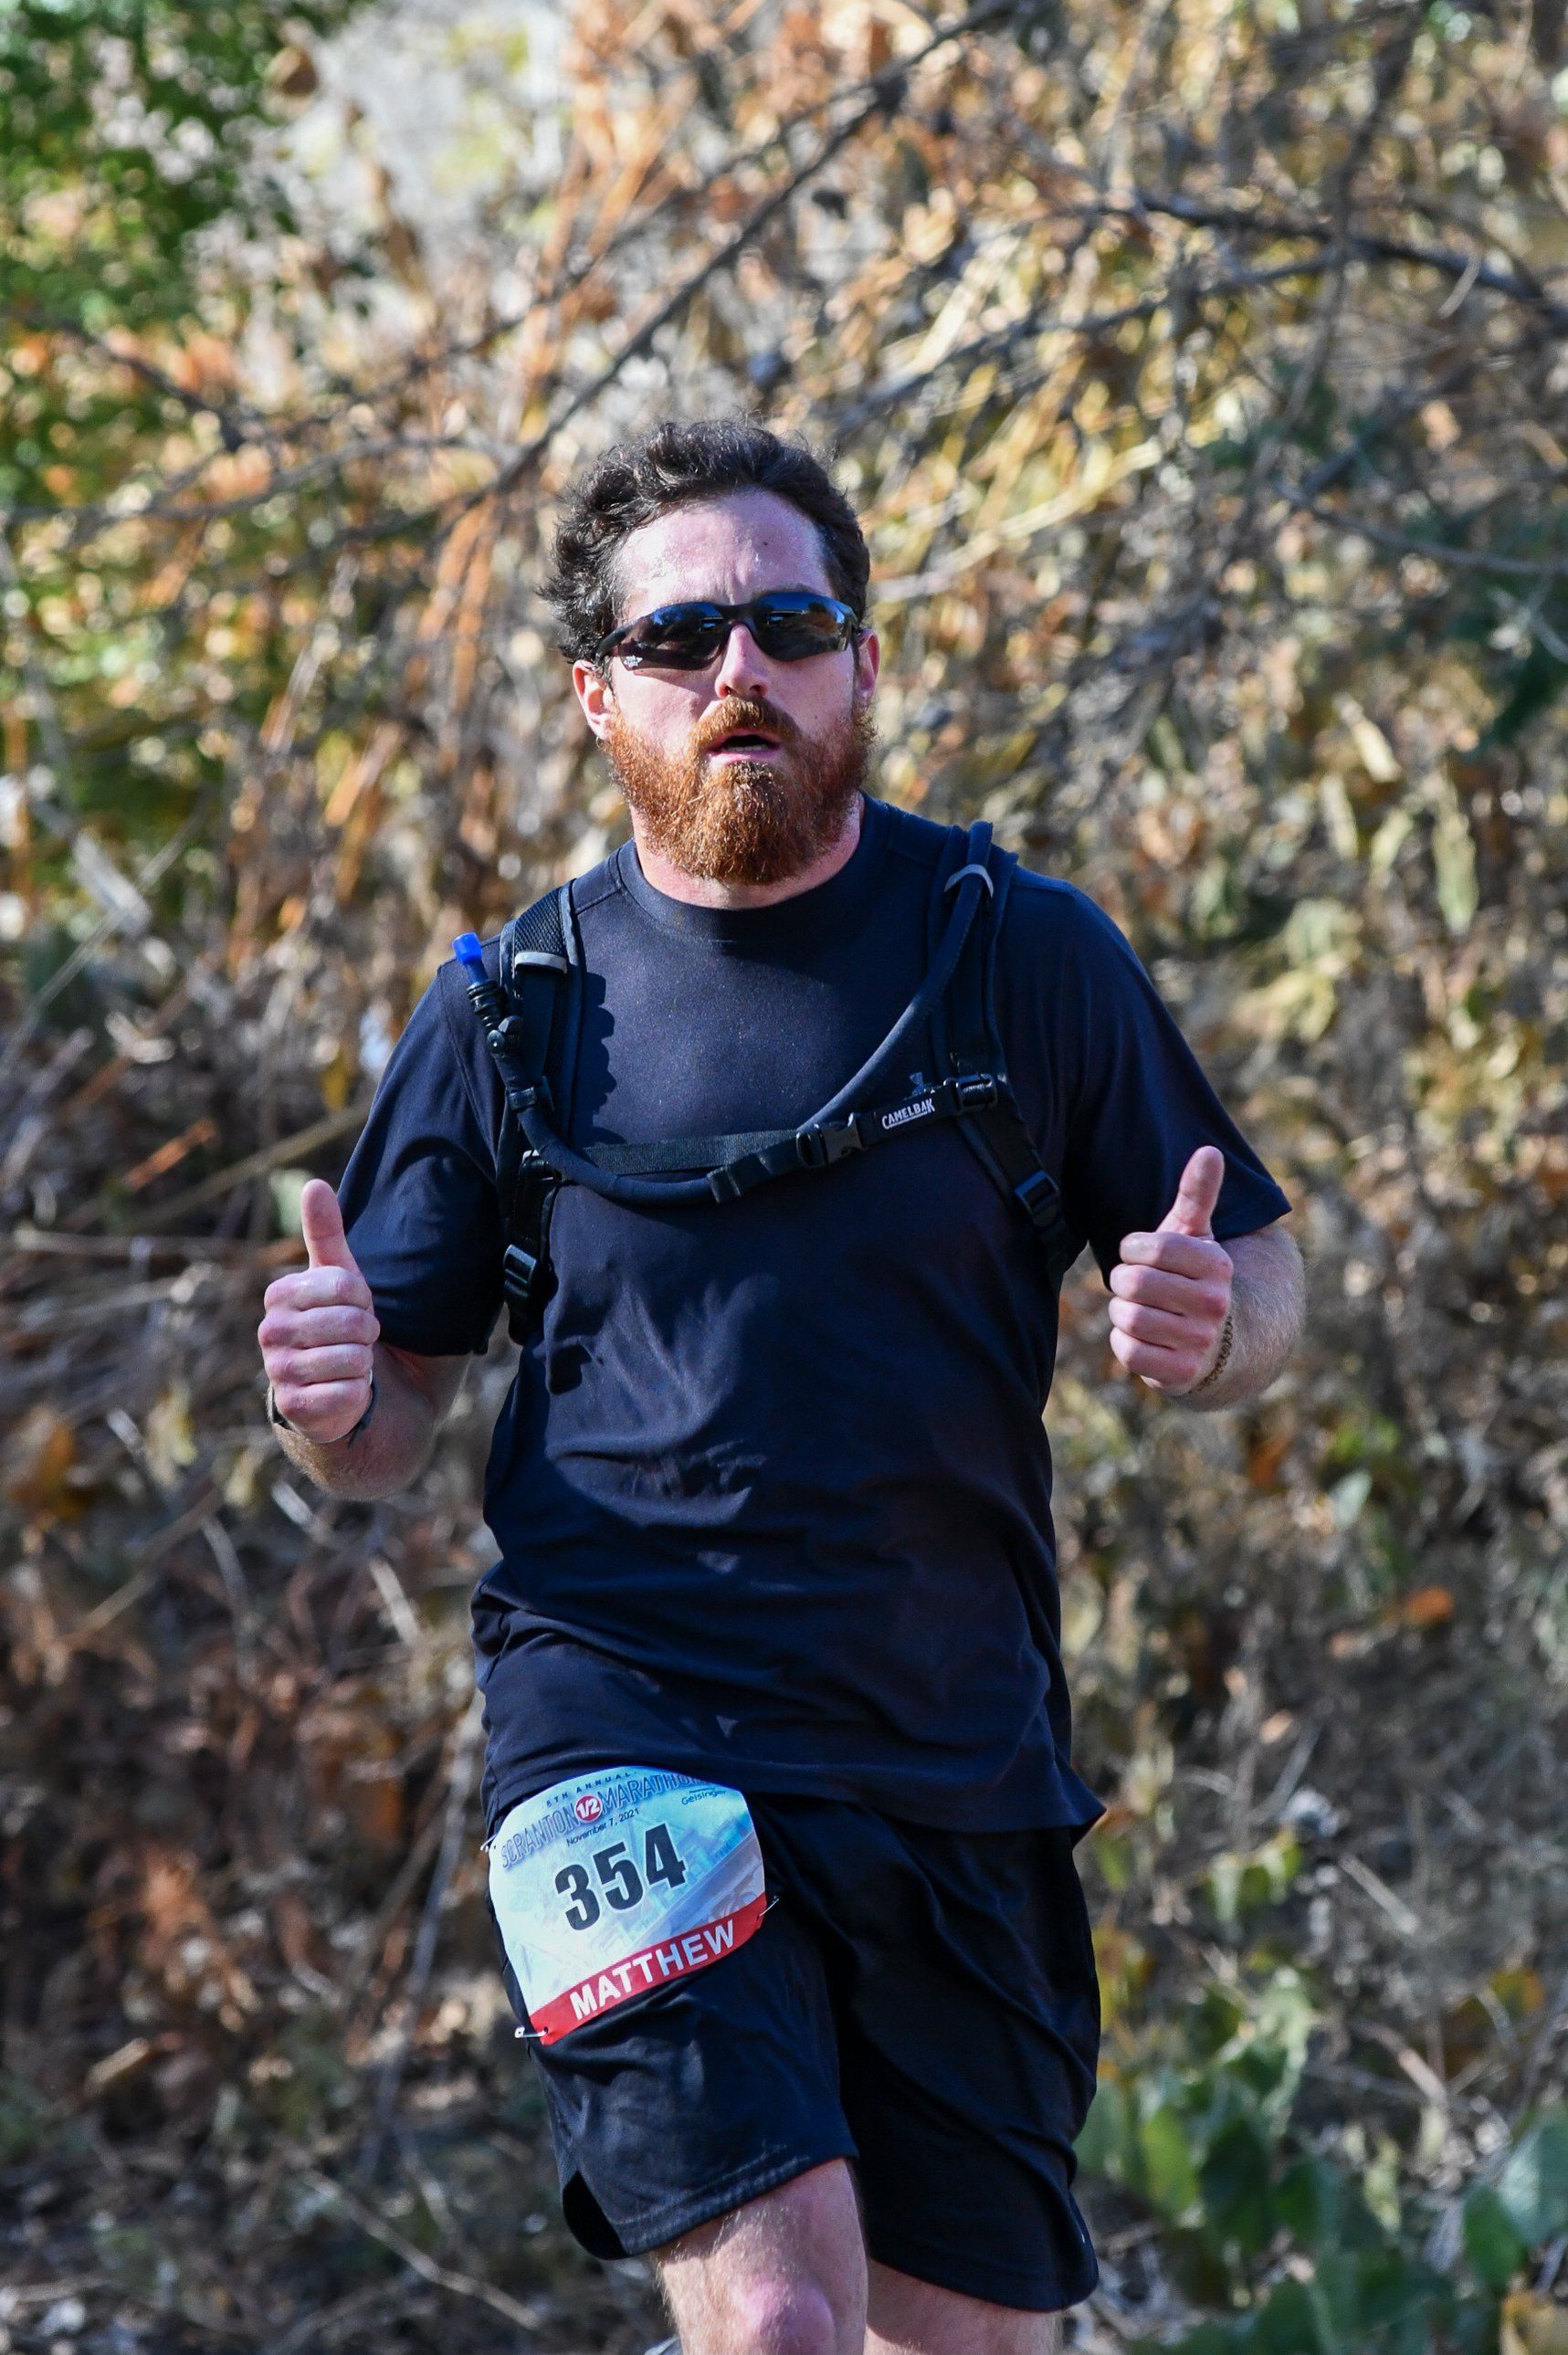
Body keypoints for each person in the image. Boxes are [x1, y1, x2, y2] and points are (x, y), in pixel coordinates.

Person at [258, 416, 1303, 2355]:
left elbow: (1254, 1261)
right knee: (780, 2336)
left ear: (864, 665)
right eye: (681, 639)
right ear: (597, 696)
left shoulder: (1024, 958)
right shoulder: (514, 1007)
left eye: (790, 621)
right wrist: (331, 1396)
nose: (741, 670)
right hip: (619, 1722)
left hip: (952, 1755)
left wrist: (1207, 1323)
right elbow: (385, 1414)